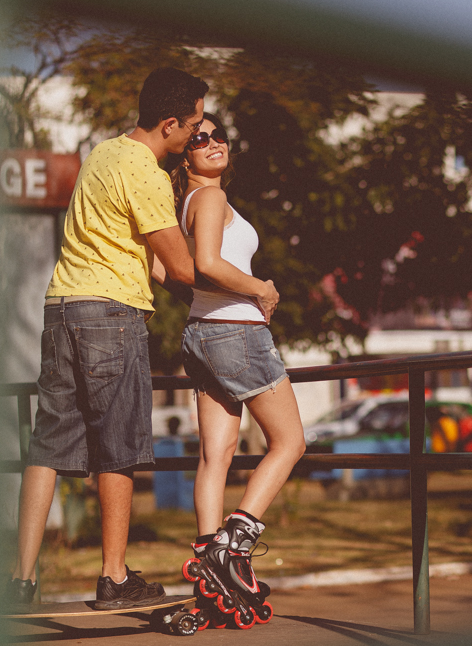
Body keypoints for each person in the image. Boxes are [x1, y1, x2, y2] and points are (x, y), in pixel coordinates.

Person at [5, 67, 209, 609]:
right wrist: (240, 293)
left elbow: (152, 263)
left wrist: (190, 294)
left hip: (61, 308)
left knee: (47, 446)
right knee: (117, 448)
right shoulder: (146, 172)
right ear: (169, 124)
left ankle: (21, 581)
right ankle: (114, 577)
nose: (197, 134)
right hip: (111, 315)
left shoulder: (102, 154)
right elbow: (182, 267)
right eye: (193, 126)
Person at [168, 112, 305, 623]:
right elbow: (207, 263)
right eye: (199, 138)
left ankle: (210, 564)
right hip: (236, 334)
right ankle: (233, 544)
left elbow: (168, 269)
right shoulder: (209, 198)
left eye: (219, 135)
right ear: (186, 156)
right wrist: (261, 289)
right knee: (290, 443)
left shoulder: (188, 203)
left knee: (216, 455)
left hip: (201, 333)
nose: (213, 142)